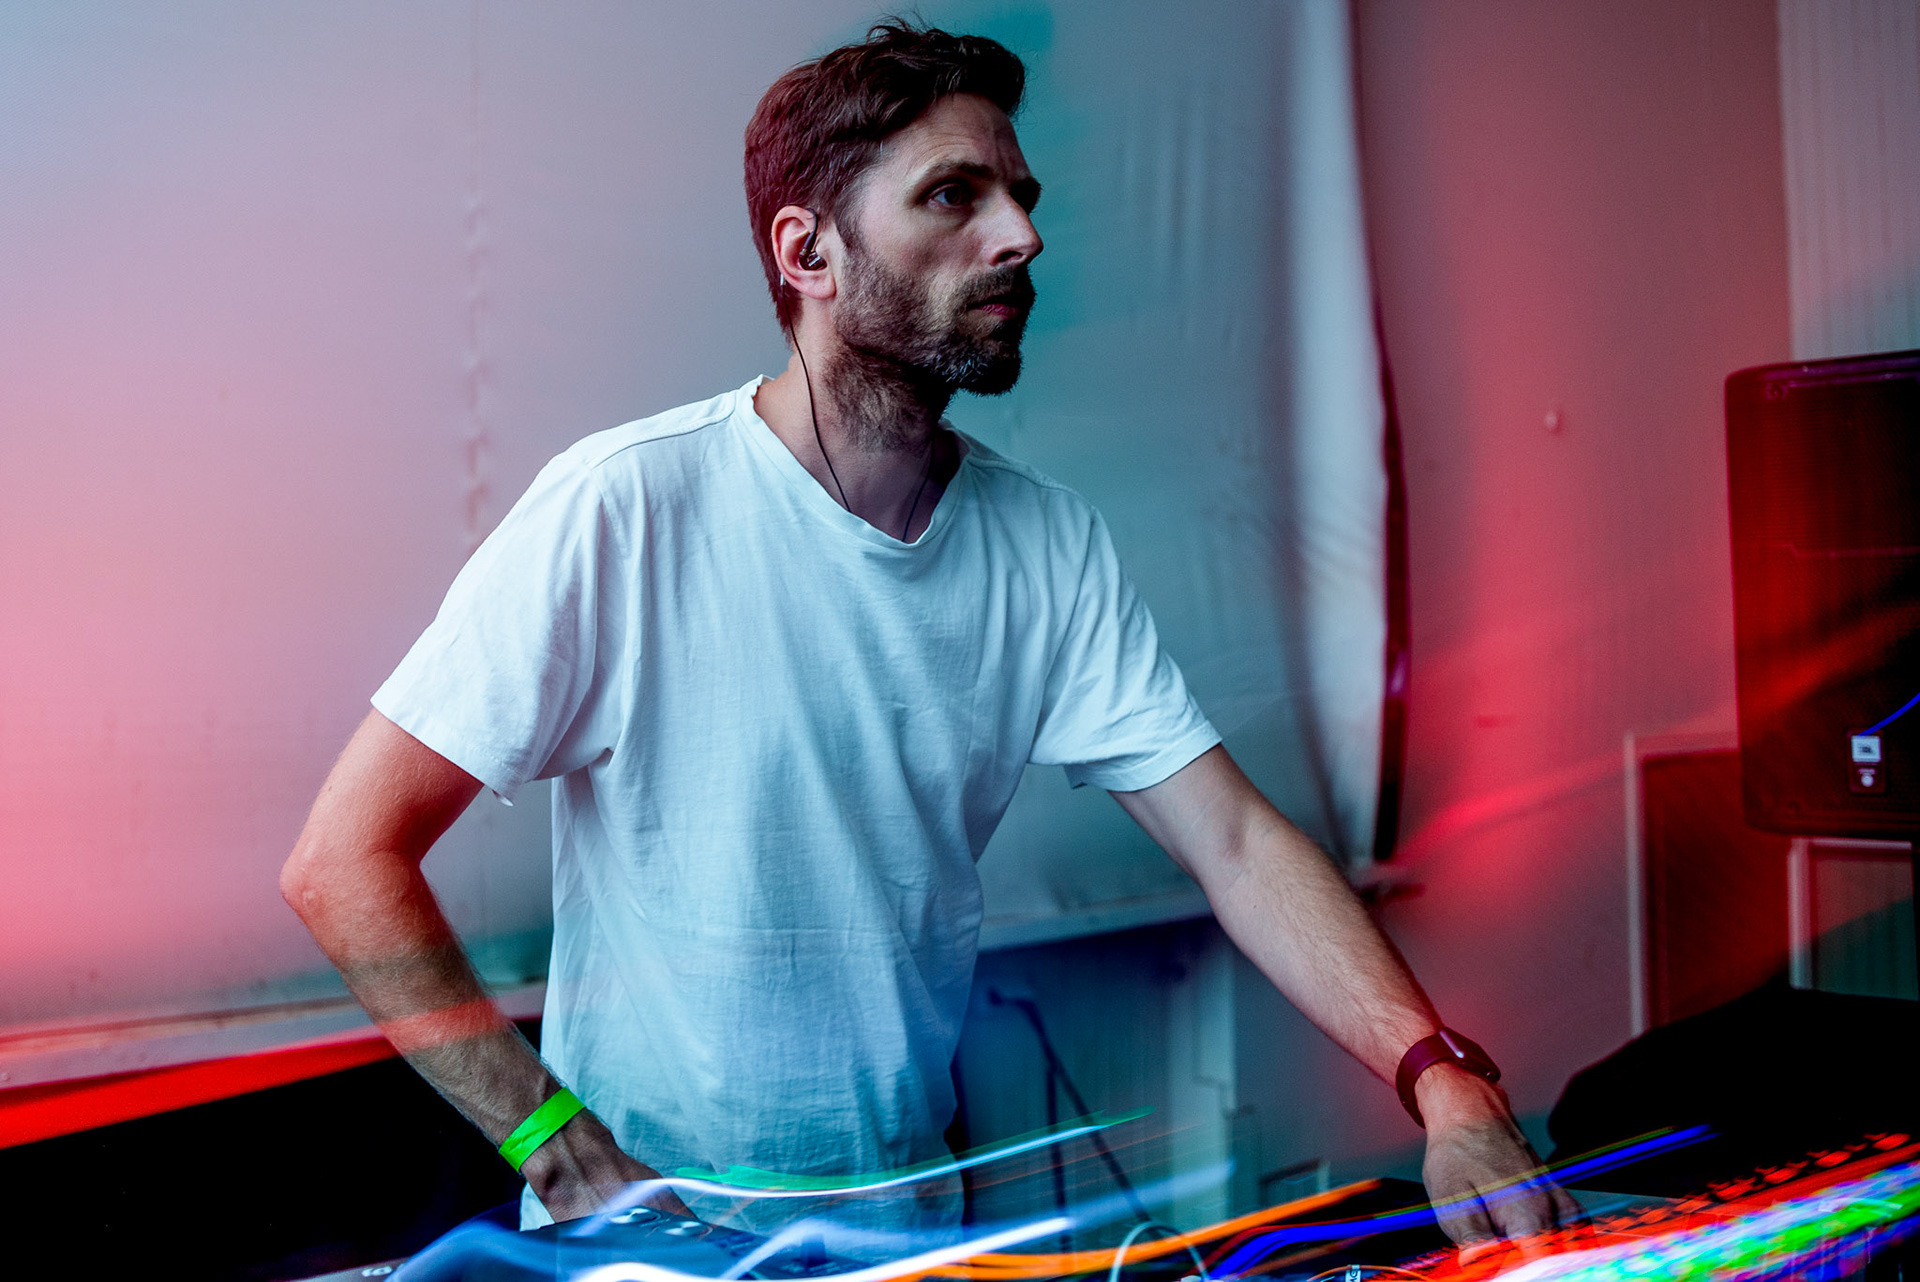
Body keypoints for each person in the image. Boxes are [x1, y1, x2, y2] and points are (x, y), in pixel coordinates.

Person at [280, 20, 1575, 1254]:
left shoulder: (1045, 542)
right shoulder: (624, 507)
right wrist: (562, 1156)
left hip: (909, 1242)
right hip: (649, 1255)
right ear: (810, 252)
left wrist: (1440, 1076)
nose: (1021, 236)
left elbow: (1233, 842)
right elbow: (344, 861)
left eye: (1020, 197)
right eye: (954, 196)